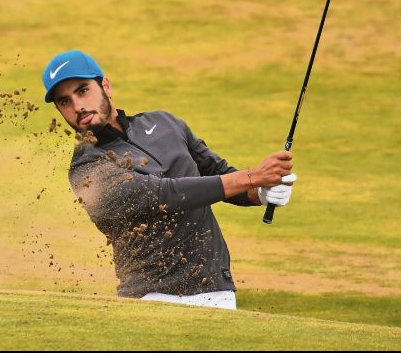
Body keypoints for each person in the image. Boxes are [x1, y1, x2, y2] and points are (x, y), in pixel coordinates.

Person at [41, 49, 296, 310]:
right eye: (64, 101)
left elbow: (219, 174)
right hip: (151, 297)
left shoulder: (164, 123)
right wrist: (252, 177)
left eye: (82, 90)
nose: (77, 106)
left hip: (217, 289)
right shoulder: (86, 168)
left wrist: (261, 192)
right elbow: (165, 196)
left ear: (105, 86)